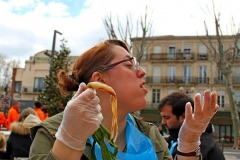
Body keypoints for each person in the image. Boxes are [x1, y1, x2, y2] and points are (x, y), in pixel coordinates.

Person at [29, 39, 219, 160]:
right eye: (129, 64)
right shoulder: (51, 134)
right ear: (99, 80)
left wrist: (188, 144)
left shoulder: (149, 134)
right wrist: (70, 141)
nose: (142, 71)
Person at [158, 92, 225, 160]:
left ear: (183, 116)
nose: (163, 122)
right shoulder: (172, 140)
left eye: (166, 117)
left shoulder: (201, 146)